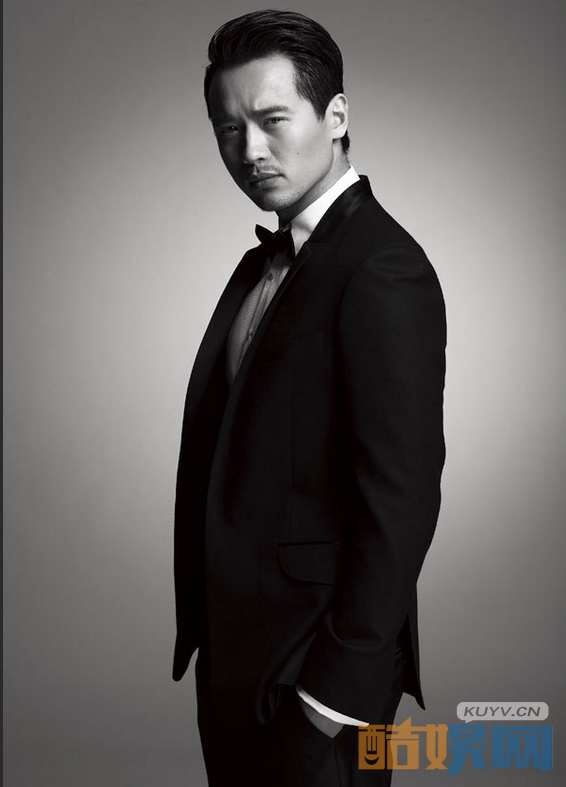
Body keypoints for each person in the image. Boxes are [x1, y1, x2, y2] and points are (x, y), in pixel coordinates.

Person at [172, 10, 446, 786]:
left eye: (272, 120)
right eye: (228, 128)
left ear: (337, 116)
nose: (250, 151)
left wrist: (330, 698)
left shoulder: (382, 268)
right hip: (238, 664)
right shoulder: (260, 266)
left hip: (317, 683)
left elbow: (401, 503)